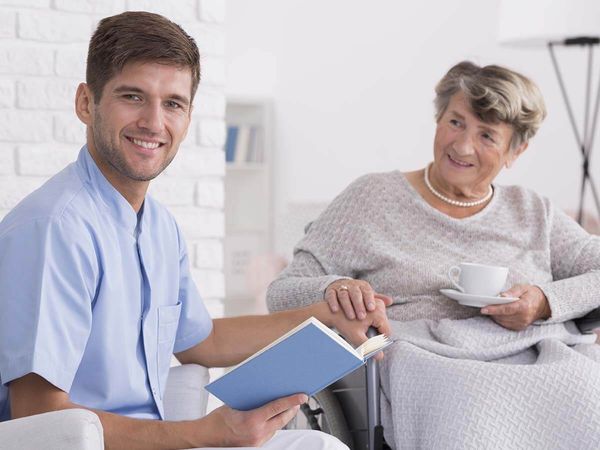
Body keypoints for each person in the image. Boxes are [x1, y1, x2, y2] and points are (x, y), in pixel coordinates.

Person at [0, 11, 391, 450]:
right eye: (133, 96)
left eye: (173, 103)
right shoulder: (53, 230)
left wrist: (326, 317)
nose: (153, 122)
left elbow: (201, 341)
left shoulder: (159, 228)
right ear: (86, 103)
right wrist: (203, 435)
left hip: (163, 437)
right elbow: (38, 417)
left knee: (322, 446)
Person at [267, 61, 600, 448]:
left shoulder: (532, 211)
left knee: (587, 394)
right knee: (467, 405)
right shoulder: (372, 198)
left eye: (487, 135)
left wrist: (545, 302)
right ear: (439, 117)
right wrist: (336, 289)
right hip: (429, 363)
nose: (461, 146)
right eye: (456, 122)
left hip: (536, 357)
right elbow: (282, 292)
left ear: (516, 150)